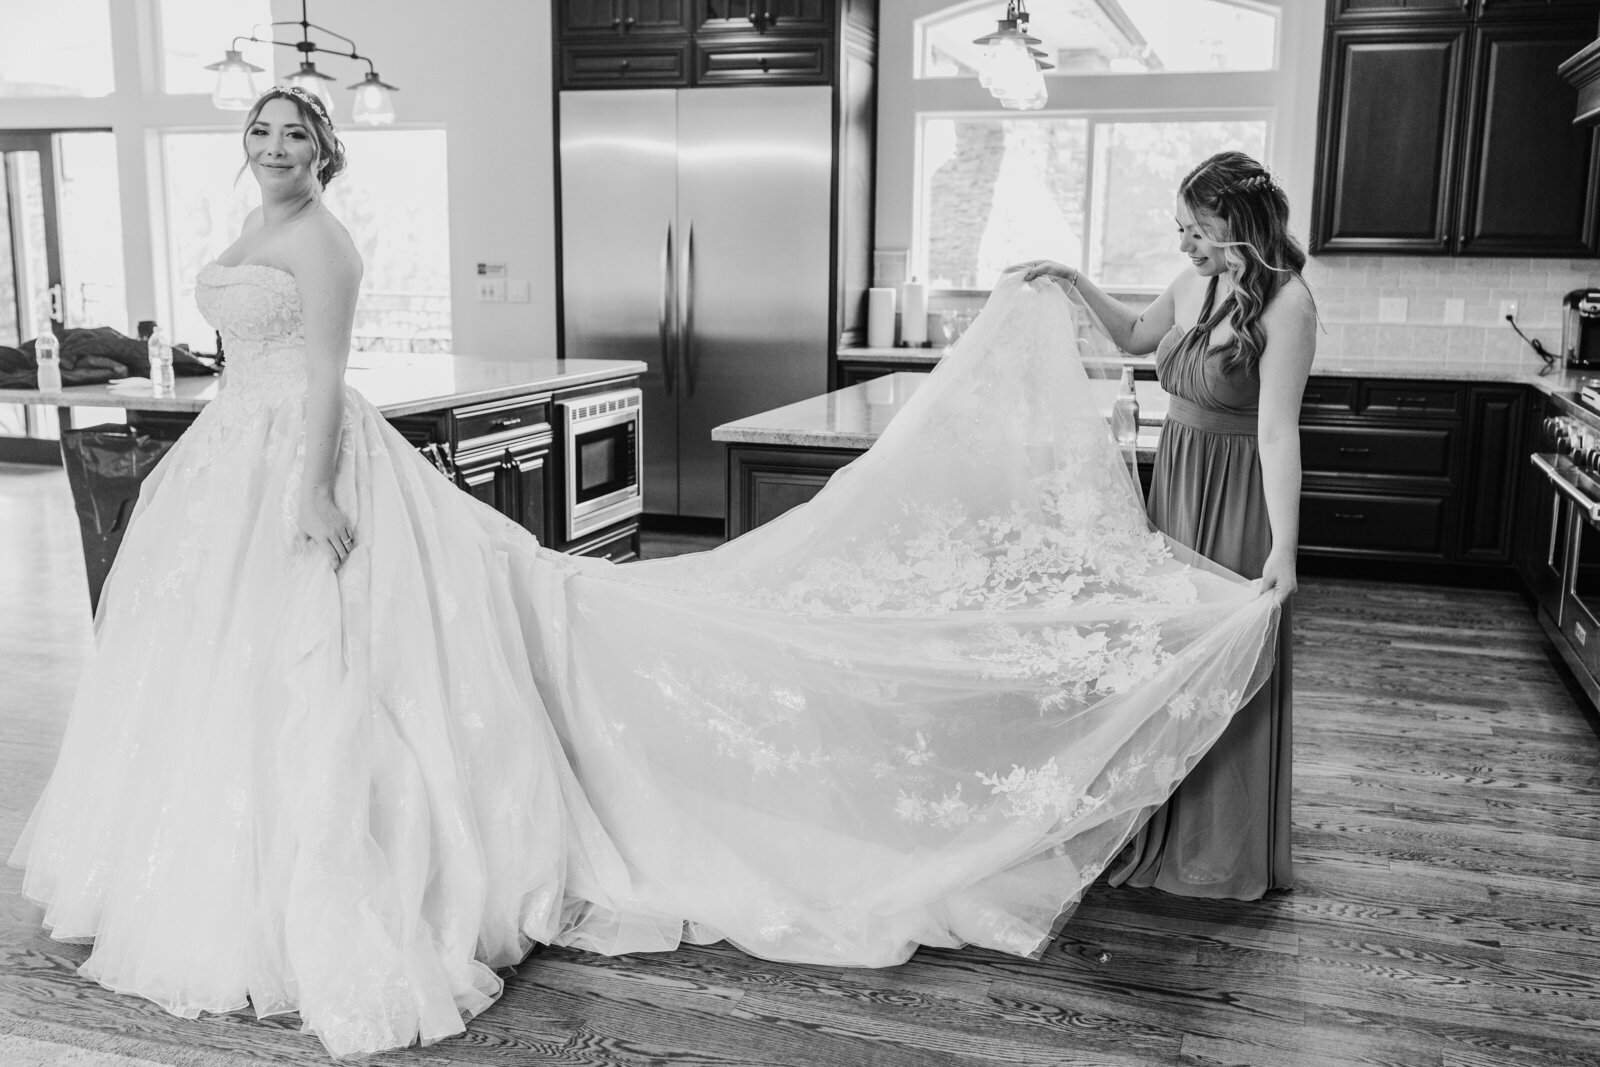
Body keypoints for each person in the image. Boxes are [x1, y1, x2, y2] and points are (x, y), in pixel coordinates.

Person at [11, 97, 1282, 1059]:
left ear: (326, 153)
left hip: (300, 463)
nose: (275, 141)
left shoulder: (327, 246)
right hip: (230, 458)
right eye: (261, 126)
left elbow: (325, 379)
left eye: (295, 130)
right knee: (225, 669)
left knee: (338, 663)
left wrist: (312, 492)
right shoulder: (249, 225)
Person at [1011, 149, 1316, 899]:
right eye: (1180, 230)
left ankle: (1216, 842)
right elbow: (1132, 337)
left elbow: (1279, 433)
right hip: (1176, 485)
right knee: (1162, 654)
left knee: (1225, 661)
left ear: (1238, 224)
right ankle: (1148, 820)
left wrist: (1285, 547)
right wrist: (1076, 280)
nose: (1184, 244)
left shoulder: (1290, 306)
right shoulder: (1193, 283)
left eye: (1196, 230)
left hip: (1239, 491)